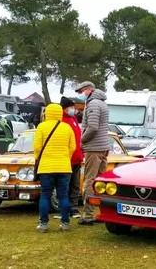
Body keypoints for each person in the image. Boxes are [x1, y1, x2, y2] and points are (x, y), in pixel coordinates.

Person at [34, 103, 76, 232]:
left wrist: (39, 158)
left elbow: (37, 148)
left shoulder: (41, 127)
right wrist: (65, 158)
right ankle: (65, 223)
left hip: (46, 167)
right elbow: (73, 147)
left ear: (47, 113)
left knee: (45, 195)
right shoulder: (67, 127)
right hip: (64, 167)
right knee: (63, 195)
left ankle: (44, 224)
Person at [75, 81, 110, 225]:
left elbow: (93, 127)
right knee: (101, 182)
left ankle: (88, 214)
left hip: (94, 148)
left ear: (89, 90)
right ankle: (103, 213)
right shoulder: (102, 103)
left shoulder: (93, 104)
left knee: (90, 181)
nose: (80, 94)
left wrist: (81, 141)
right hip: (103, 146)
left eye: (81, 91)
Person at [60, 96, 84, 218]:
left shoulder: (73, 118)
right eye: (71, 107)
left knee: (75, 185)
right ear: (64, 109)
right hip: (66, 159)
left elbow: (78, 137)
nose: (73, 109)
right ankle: (65, 208)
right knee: (65, 185)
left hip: (77, 158)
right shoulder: (61, 120)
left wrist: (81, 153)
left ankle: (73, 208)